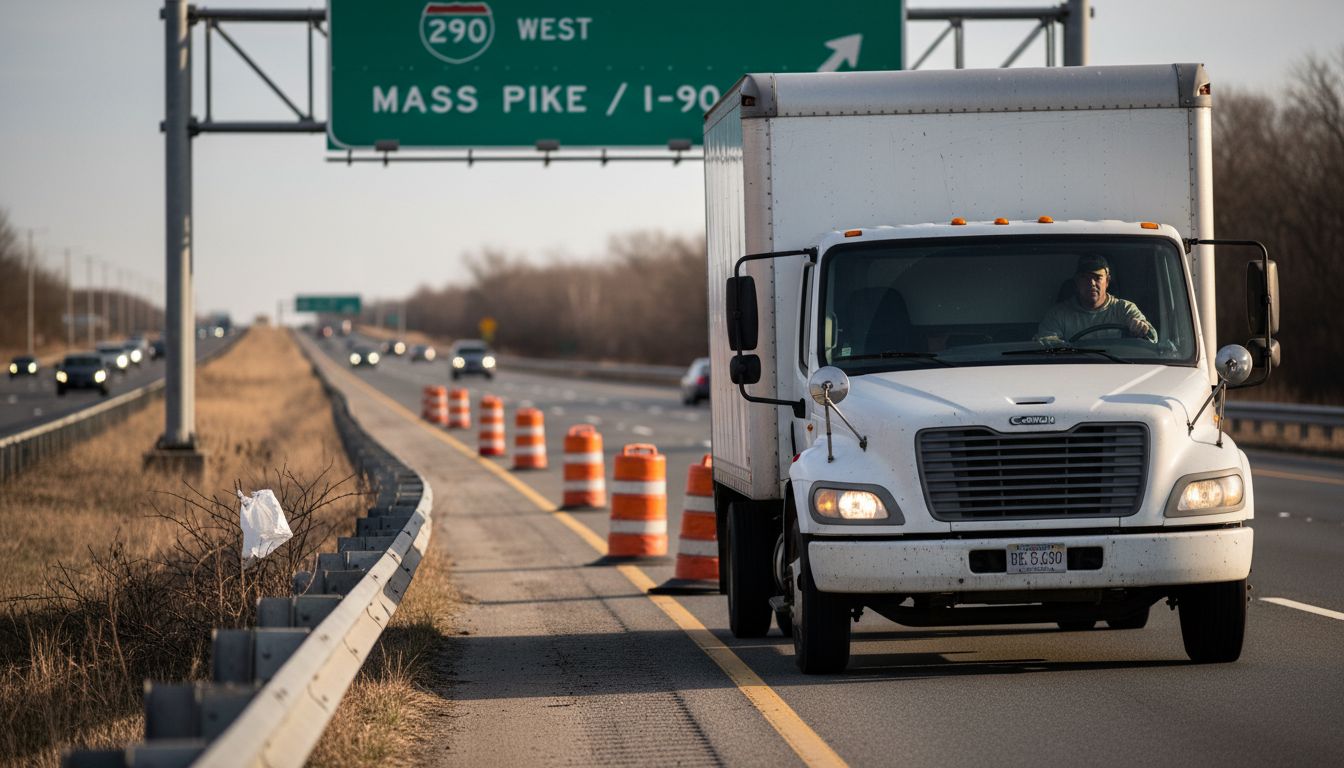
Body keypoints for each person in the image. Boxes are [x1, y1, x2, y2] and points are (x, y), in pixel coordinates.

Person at [1036, 255, 1157, 343]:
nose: (1092, 283)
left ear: (1107, 281)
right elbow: (1045, 344)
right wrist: (1052, 343)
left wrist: (1141, 328)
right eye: (1085, 278)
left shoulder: (1125, 309)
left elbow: (1152, 339)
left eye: (1097, 278)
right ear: (1077, 282)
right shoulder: (1058, 314)